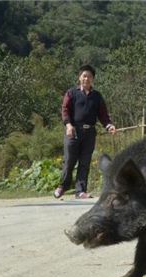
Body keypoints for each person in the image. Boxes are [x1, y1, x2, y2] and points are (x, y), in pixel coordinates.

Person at [54, 64, 116, 199]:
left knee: (85, 162)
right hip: (73, 131)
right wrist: (68, 125)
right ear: (79, 77)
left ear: (93, 79)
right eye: (84, 76)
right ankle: (62, 187)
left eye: (89, 76)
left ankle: (80, 191)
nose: (86, 79)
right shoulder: (71, 93)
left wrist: (109, 125)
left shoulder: (97, 96)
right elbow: (65, 110)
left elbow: (103, 115)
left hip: (90, 133)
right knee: (69, 160)